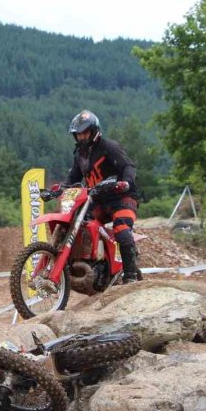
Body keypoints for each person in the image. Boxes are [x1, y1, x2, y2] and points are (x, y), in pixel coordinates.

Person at [63, 110, 142, 283]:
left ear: (94, 131)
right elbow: (72, 179)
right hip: (98, 200)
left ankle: (131, 277)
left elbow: (128, 166)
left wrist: (126, 182)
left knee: (121, 230)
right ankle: (91, 262)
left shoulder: (109, 147)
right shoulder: (79, 156)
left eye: (85, 133)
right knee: (77, 222)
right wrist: (59, 190)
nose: (82, 137)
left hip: (122, 197)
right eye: (78, 134)